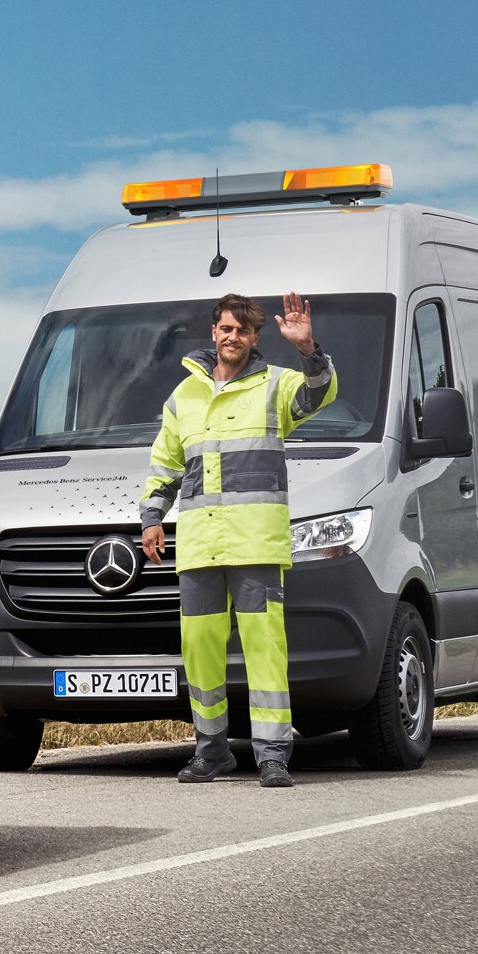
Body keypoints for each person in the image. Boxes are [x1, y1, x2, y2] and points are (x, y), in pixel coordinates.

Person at [140, 291, 336, 789]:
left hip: (256, 543)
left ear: (255, 337)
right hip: (201, 545)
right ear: (214, 332)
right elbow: (165, 462)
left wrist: (309, 349)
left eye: (243, 331)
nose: (233, 337)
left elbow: (319, 393)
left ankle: (272, 754)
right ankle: (211, 751)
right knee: (199, 647)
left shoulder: (276, 386)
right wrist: (151, 517)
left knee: (264, 648)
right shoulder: (184, 396)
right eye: (226, 328)